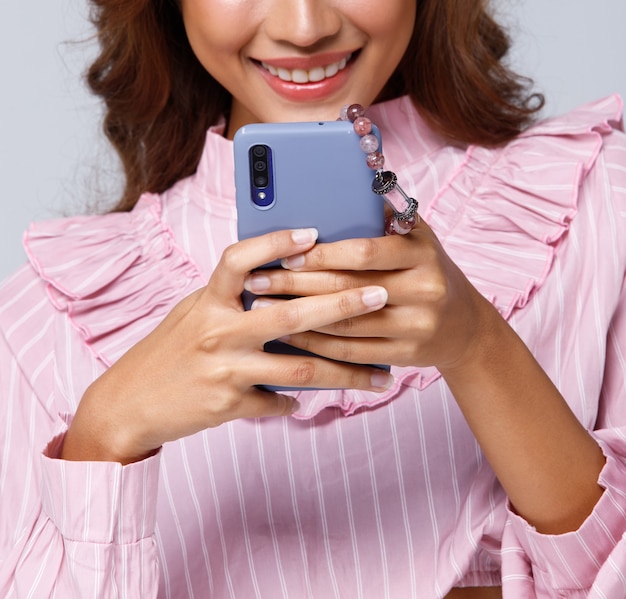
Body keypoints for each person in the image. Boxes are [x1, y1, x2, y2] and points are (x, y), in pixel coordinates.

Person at [1, 0, 625, 596]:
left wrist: (481, 348)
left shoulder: (590, 205)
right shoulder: (52, 313)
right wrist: (105, 436)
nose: (305, 29)